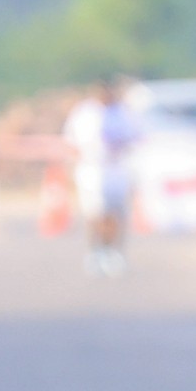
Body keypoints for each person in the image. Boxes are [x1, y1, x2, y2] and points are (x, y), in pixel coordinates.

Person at [63, 77, 139, 274]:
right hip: (92, 170)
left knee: (116, 213)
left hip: (116, 168)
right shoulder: (84, 113)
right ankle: (95, 251)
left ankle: (114, 252)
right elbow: (71, 142)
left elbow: (135, 138)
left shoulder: (123, 112)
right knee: (94, 214)